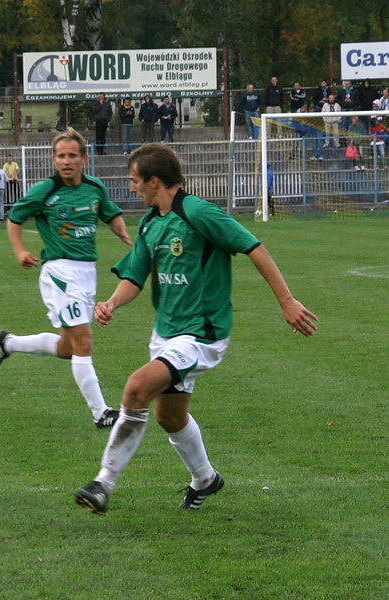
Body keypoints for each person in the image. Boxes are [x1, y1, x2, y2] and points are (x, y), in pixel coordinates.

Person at [74, 143, 318, 514]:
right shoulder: (152, 223)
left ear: (155, 181)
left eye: (135, 181)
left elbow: (253, 247)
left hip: (202, 333)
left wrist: (286, 300)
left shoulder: (200, 213)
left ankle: (103, 483)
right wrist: (111, 302)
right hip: (166, 332)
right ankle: (205, 478)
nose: (132, 189)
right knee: (169, 416)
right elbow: (136, 276)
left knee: (137, 388)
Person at [0, 127, 132, 429]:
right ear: (54, 159)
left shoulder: (94, 188)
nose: (66, 161)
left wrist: (126, 237)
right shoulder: (45, 191)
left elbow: (111, 215)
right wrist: (19, 250)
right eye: (60, 156)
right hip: (59, 273)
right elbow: (15, 217)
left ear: (84, 158)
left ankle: (9, 343)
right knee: (83, 341)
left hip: (87, 272)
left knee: (69, 348)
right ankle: (101, 413)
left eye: (72, 155)